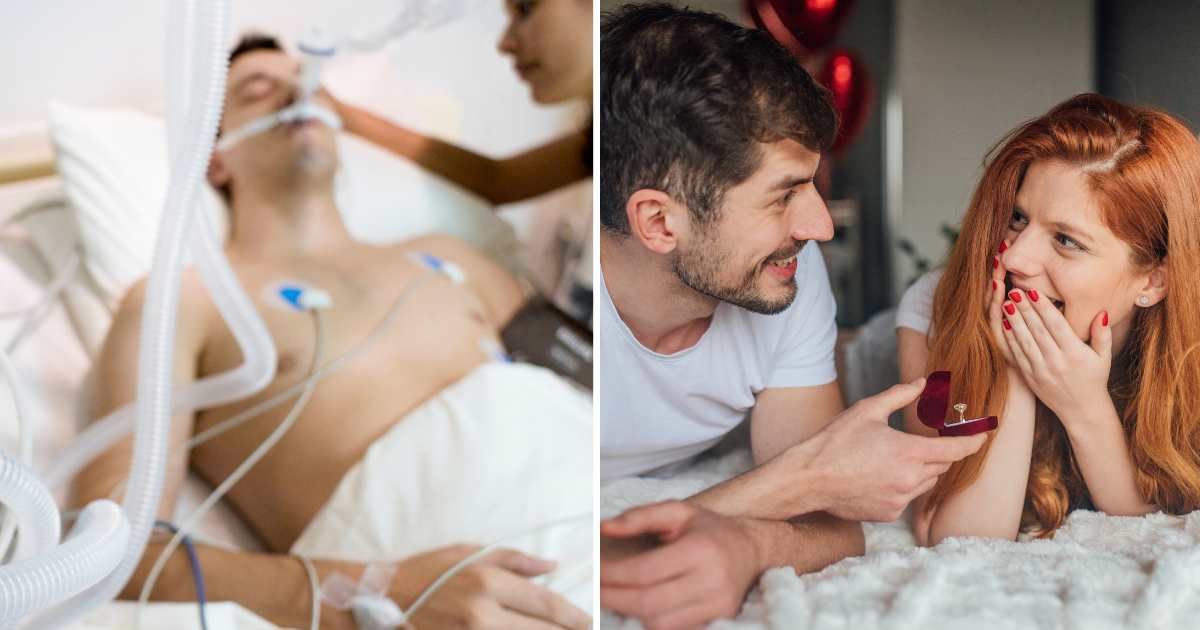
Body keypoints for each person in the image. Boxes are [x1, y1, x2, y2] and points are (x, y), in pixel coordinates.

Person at [71, 34, 590, 630]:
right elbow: (110, 551)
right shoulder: (185, 301)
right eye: (260, 89)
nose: (301, 91)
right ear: (214, 155)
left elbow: (591, 385)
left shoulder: (454, 259)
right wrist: (365, 592)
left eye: (308, 80)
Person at [597, 4, 986, 628]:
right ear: (659, 221)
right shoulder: (543, 305)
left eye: (812, 186)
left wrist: (753, 542)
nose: (820, 227)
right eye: (783, 195)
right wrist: (804, 476)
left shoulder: (789, 277)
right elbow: (554, 551)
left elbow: (833, 519)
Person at [897, 93, 1200, 545]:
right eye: (1018, 218)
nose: (1016, 256)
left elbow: (1165, 529)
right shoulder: (933, 308)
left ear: (1153, 283)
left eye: (1066, 240)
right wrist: (1015, 372)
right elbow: (950, 536)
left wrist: (1084, 408)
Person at [326, 0, 595, 320]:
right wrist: (343, 116)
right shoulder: (602, 137)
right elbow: (498, 181)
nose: (504, 43)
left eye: (525, 9)